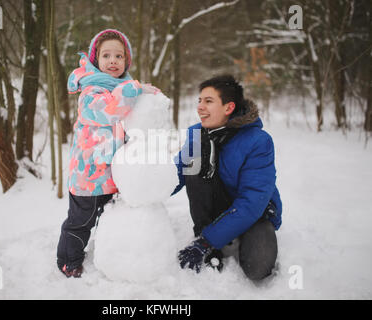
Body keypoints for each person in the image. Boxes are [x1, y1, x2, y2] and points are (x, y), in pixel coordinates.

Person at [57, 29, 158, 278]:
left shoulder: (120, 88)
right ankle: (68, 260)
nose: (113, 61)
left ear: (126, 61)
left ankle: (107, 252)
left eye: (119, 56)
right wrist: (134, 90)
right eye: (106, 55)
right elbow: (109, 112)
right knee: (81, 222)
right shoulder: (91, 91)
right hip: (89, 178)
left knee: (108, 218)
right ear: (96, 61)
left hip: (112, 175)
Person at [173, 75, 282, 281]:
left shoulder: (259, 141)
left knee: (258, 269)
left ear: (228, 107)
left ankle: (216, 238)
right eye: (199, 101)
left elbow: (252, 202)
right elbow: (174, 175)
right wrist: (138, 192)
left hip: (253, 215)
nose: (200, 107)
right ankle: (208, 234)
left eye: (208, 101)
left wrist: (207, 242)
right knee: (193, 169)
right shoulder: (197, 135)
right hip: (217, 208)